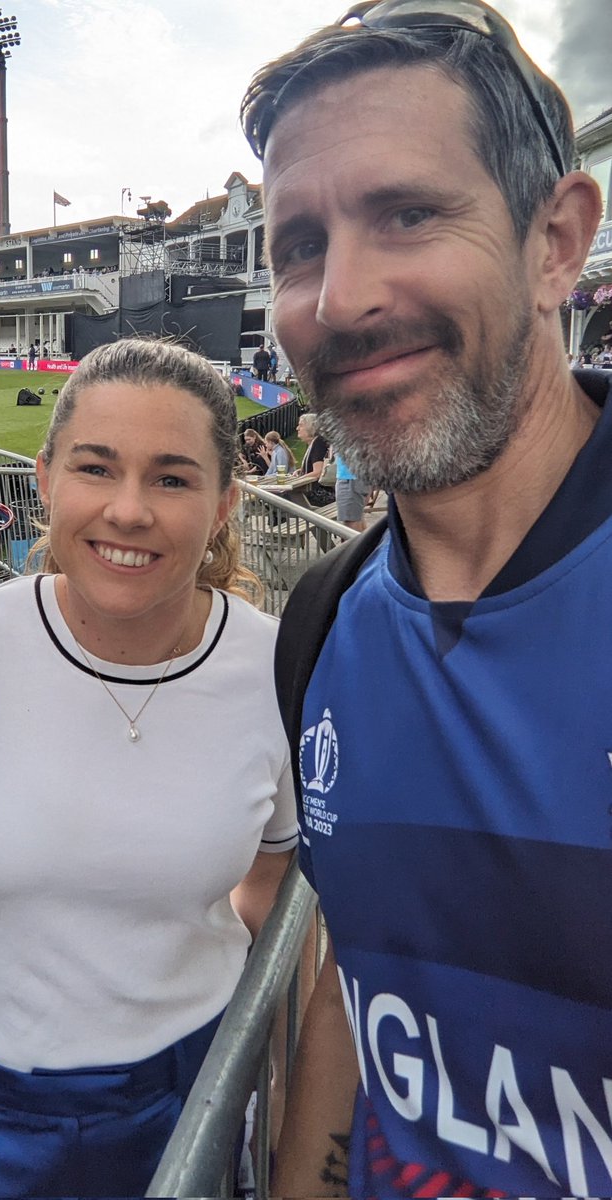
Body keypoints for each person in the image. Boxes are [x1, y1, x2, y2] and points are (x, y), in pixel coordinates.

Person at [241, 1, 608, 1196]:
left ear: (555, 243)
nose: (338, 299)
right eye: (300, 244)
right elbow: (361, 980)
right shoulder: (322, 627)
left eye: (406, 213)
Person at [0, 338, 297, 1199]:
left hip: (187, 1100)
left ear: (224, 502)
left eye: (172, 478)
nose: (128, 510)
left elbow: (274, 888)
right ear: (44, 479)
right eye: (95, 468)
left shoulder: (280, 673)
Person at [295, 411, 334, 507]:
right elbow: (316, 467)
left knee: (282, 497)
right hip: (316, 491)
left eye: (301, 425)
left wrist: (297, 480)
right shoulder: (314, 443)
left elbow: (318, 472)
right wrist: (301, 471)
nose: (297, 428)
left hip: (320, 493)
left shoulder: (318, 443)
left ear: (310, 427)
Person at [334, 454, 370, 532]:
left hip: (350, 477)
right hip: (356, 477)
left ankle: (358, 540)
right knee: (357, 519)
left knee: (350, 525)